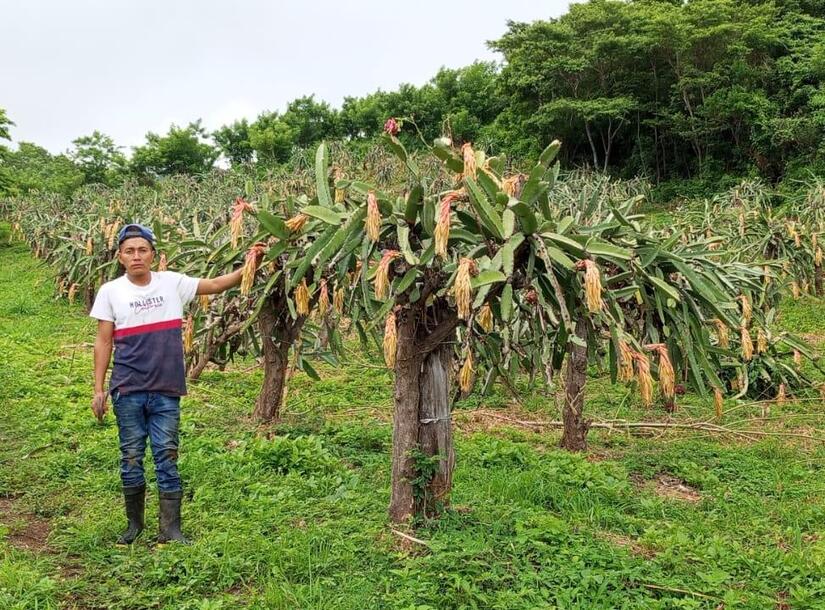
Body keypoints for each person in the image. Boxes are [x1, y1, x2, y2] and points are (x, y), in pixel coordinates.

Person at [90, 223, 260, 545]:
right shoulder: (110, 291)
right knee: (131, 457)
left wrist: (251, 263)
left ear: (154, 255)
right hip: (127, 390)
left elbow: (216, 285)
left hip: (167, 389)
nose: (136, 256)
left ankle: (171, 529)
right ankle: (134, 527)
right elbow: (103, 342)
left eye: (143, 250)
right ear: (120, 257)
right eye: (130, 251)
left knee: (167, 457)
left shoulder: (173, 284)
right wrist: (99, 390)